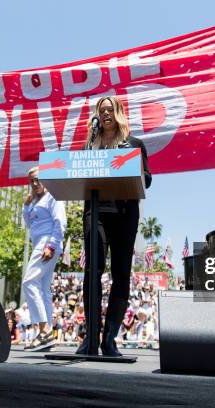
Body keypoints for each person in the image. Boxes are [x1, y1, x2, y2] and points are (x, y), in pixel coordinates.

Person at [77, 96, 152, 357]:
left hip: (124, 213)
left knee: (121, 274)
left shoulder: (134, 144)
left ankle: (110, 338)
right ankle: (90, 339)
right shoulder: (89, 145)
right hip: (95, 212)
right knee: (92, 271)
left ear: (119, 113)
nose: (106, 114)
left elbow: (147, 179)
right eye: (101, 110)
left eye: (110, 110)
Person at [22, 166, 67, 350]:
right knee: (43, 289)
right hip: (38, 243)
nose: (35, 183)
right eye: (32, 180)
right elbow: (29, 224)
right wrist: (27, 205)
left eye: (38, 179)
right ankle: (47, 337)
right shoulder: (32, 201)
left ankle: (44, 329)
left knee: (29, 282)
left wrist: (51, 246)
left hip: (47, 243)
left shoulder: (53, 196)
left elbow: (60, 223)